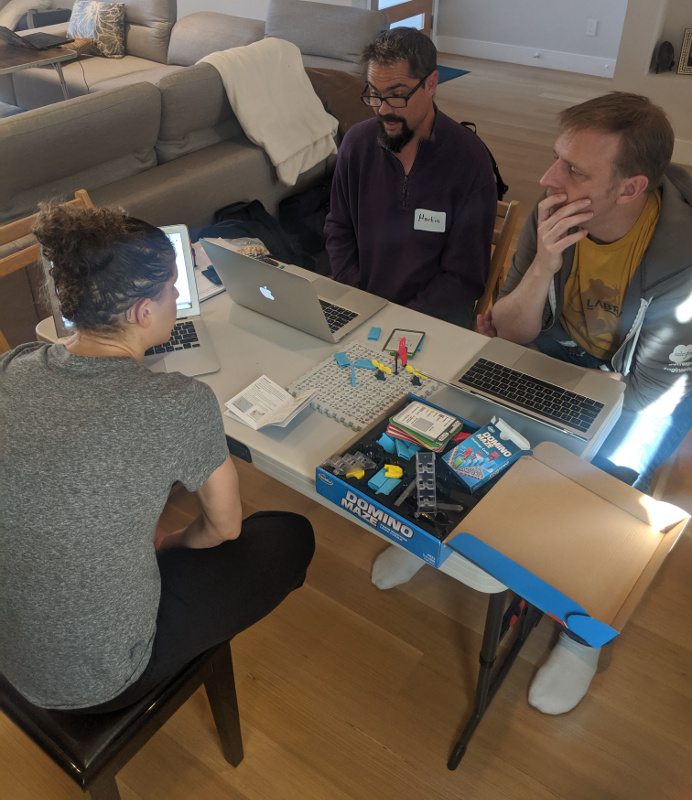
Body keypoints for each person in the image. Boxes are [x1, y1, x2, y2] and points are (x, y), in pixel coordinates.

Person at [372, 91, 692, 715]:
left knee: (614, 496)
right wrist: (544, 264)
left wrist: (559, 453)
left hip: (636, 386)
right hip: (546, 352)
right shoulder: (553, 213)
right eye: (557, 159)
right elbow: (510, 330)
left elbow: (653, 395)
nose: (549, 178)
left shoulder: (682, 263)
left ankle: (582, 634)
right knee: (445, 419)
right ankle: (432, 534)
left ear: (630, 189)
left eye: (574, 169)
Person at [0, 204, 315, 712]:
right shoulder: (177, 403)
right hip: (99, 682)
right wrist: (166, 545)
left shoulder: (11, 366)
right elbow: (225, 528)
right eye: (172, 285)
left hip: (10, 649)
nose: (177, 295)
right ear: (144, 312)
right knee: (289, 532)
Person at [324, 27, 497, 328]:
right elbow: (338, 228)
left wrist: (398, 318)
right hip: (365, 304)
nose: (384, 110)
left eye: (397, 96)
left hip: (435, 317)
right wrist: (358, 294)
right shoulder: (357, 145)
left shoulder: (469, 161)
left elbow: (463, 276)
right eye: (374, 95)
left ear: (431, 84)